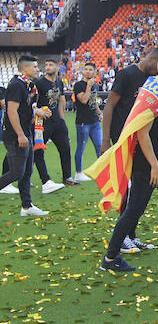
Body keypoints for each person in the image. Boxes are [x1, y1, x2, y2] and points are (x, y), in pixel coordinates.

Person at [101, 56, 158, 271]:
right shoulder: (152, 96)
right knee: (133, 211)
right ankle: (110, 258)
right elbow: (143, 134)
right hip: (148, 165)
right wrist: (154, 165)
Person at [102, 47, 158, 252]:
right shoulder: (127, 75)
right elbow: (110, 105)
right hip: (123, 139)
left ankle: (130, 234)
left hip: (140, 141)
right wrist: (105, 140)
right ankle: (122, 238)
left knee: (138, 189)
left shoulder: (152, 80)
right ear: (151, 59)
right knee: (130, 188)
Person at [0, 55, 51, 216]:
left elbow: (25, 108)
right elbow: (11, 111)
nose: (38, 69)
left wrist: (38, 112)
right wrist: (20, 135)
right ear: (25, 68)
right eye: (35, 67)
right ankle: (26, 206)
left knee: (27, 171)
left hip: (25, 132)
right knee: (17, 172)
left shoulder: (27, 85)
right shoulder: (16, 85)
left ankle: (27, 207)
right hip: (16, 134)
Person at [33, 58, 74, 191]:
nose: (48, 67)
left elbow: (61, 101)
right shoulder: (39, 83)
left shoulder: (59, 82)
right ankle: (42, 180)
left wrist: (62, 120)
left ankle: (67, 177)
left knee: (65, 149)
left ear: (57, 67)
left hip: (57, 121)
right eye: (46, 65)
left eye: (51, 65)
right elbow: (32, 102)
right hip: (43, 122)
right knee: (37, 152)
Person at [73, 62, 102, 182]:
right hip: (83, 122)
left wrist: (99, 112)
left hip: (94, 121)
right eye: (86, 69)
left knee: (99, 147)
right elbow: (84, 100)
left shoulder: (95, 85)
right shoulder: (79, 85)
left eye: (90, 69)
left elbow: (93, 101)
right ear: (82, 71)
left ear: (95, 72)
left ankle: (102, 171)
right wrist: (88, 86)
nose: (88, 71)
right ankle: (78, 173)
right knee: (81, 147)